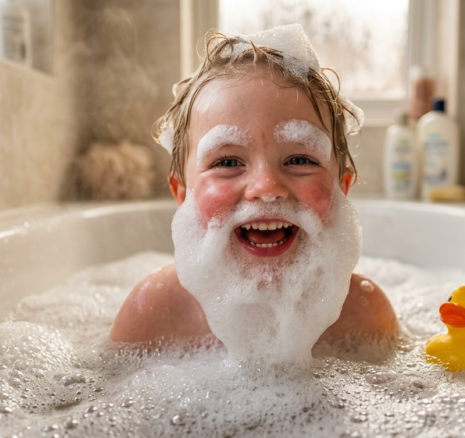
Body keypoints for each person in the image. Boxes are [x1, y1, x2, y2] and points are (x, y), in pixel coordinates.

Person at [110, 26, 398, 358]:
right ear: (182, 194)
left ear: (341, 189)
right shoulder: (153, 313)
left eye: (300, 159)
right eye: (228, 161)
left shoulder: (364, 315)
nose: (266, 187)